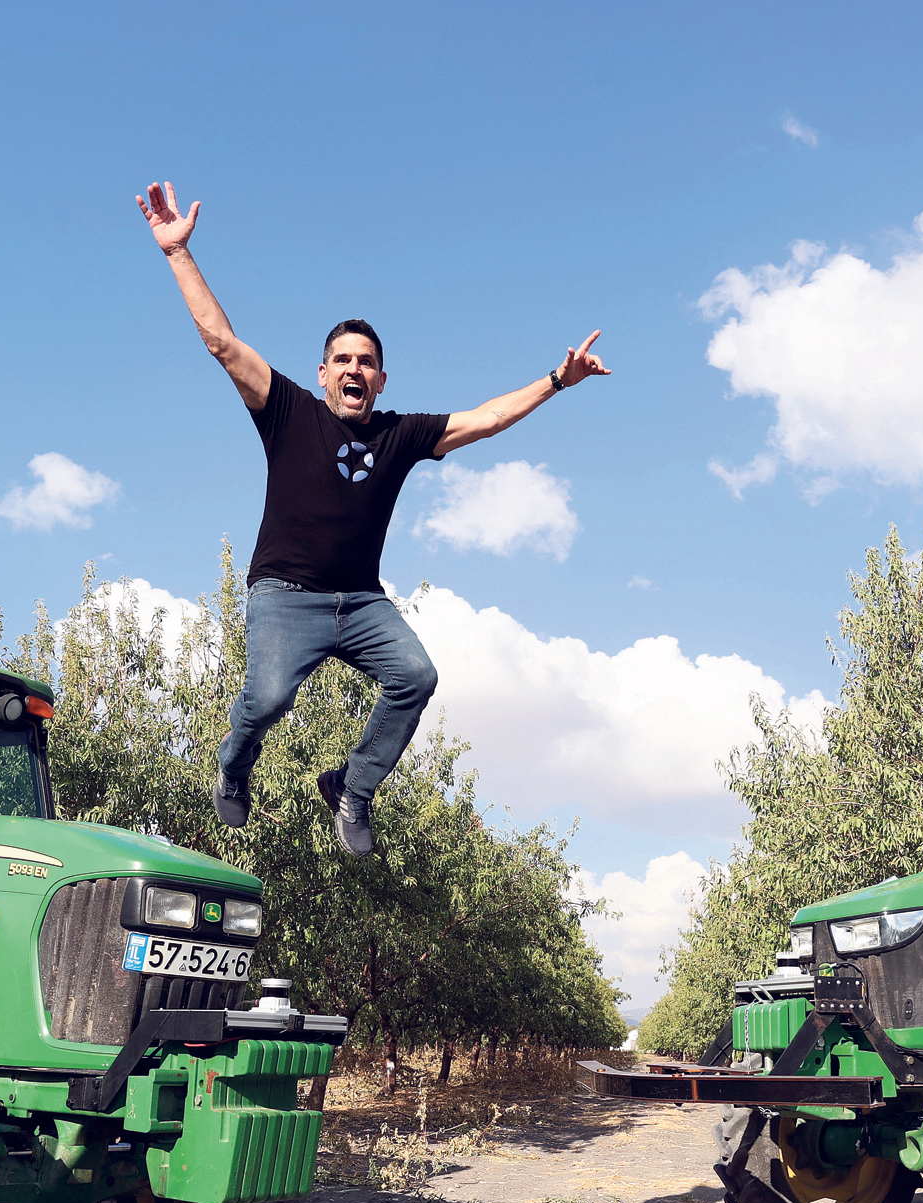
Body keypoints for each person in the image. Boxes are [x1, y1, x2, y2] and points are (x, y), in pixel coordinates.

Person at [138, 180, 611, 855]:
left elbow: (487, 418)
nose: (355, 369)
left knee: (416, 676)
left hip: (360, 602)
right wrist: (178, 253)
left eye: (368, 362)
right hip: (284, 595)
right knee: (268, 698)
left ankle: (352, 788)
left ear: (381, 380)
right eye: (344, 361)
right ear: (324, 373)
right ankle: (234, 762)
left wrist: (558, 381)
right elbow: (221, 342)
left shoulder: (402, 432)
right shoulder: (288, 410)